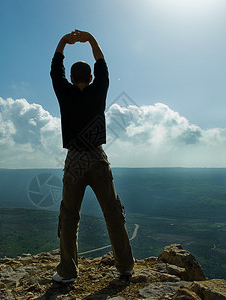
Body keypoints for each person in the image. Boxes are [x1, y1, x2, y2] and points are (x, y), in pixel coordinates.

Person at [50, 30, 134, 283]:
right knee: (112, 213)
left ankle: (67, 271)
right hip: (98, 158)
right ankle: (125, 267)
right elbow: (103, 67)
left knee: (69, 216)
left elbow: (55, 70)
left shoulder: (65, 93)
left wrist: (64, 41)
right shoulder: (99, 91)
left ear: (72, 77)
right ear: (89, 77)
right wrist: (91, 40)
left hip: (75, 160)